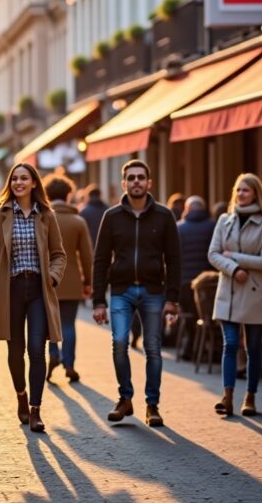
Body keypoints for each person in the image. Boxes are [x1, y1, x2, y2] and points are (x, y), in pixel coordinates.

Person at [91, 159, 182, 428]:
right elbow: (100, 260)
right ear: (124, 183)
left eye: (141, 177)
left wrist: (173, 299)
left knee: (153, 348)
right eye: (131, 178)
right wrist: (98, 301)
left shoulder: (164, 216)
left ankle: (152, 405)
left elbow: (174, 259)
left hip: (154, 291)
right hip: (121, 291)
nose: (136, 182)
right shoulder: (112, 216)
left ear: (149, 183)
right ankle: (125, 398)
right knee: (120, 343)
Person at [0, 163, 66, 433]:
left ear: (34, 183)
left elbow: (59, 254)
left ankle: (36, 410)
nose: (18, 183)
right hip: (11, 289)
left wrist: (51, 277)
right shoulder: (0, 215)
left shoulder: (47, 215)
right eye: (14, 179)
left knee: (37, 349)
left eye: (24, 178)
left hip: (38, 289)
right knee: (15, 351)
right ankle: (21, 397)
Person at [207, 174, 262, 418]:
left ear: (256, 193)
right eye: (238, 190)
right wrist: (233, 268)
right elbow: (213, 254)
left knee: (254, 347)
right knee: (231, 344)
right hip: (228, 290)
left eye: (245, 190)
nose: (241, 194)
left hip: (255, 292)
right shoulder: (224, 220)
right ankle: (227, 397)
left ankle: (250, 397)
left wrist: (235, 257)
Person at [45, 176, 93, 384]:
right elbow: (87, 256)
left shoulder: (42, 218)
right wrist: (88, 281)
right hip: (72, 278)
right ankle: (69, 363)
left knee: (49, 322)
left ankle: (53, 352)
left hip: (47, 279)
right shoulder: (78, 221)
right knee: (68, 323)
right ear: (68, 195)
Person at [176, 195, 216, 357]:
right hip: (209, 282)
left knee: (189, 316)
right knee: (207, 316)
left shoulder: (179, 228)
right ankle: (207, 348)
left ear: (187, 209)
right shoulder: (213, 227)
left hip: (185, 281)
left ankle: (190, 346)